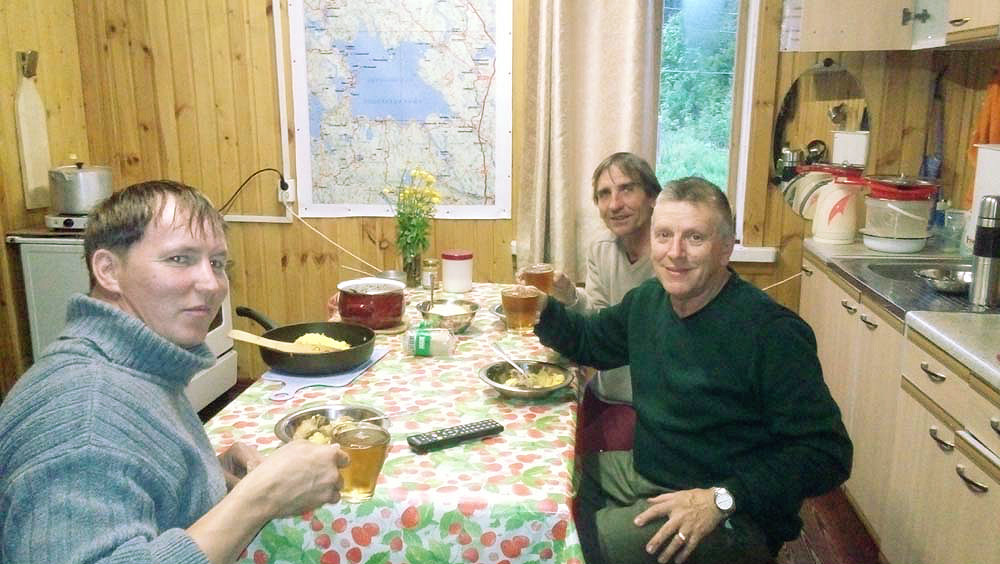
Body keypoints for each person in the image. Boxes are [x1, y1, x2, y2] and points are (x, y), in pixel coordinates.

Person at [0, 180, 349, 564]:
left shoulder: (134, 368)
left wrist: (202, 478)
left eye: (217, 263)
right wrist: (259, 498)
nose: (212, 284)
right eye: (180, 258)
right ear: (108, 270)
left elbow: (125, 483)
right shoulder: (83, 415)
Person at [533, 177, 852, 564]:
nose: (675, 253)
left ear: (725, 249)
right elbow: (589, 340)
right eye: (664, 235)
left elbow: (827, 453)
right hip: (650, 470)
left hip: (729, 508)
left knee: (566, 545)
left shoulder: (771, 333)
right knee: (550, 489)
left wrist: (722, 498)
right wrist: (541, 309)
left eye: (695, 238)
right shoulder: (648, 302)